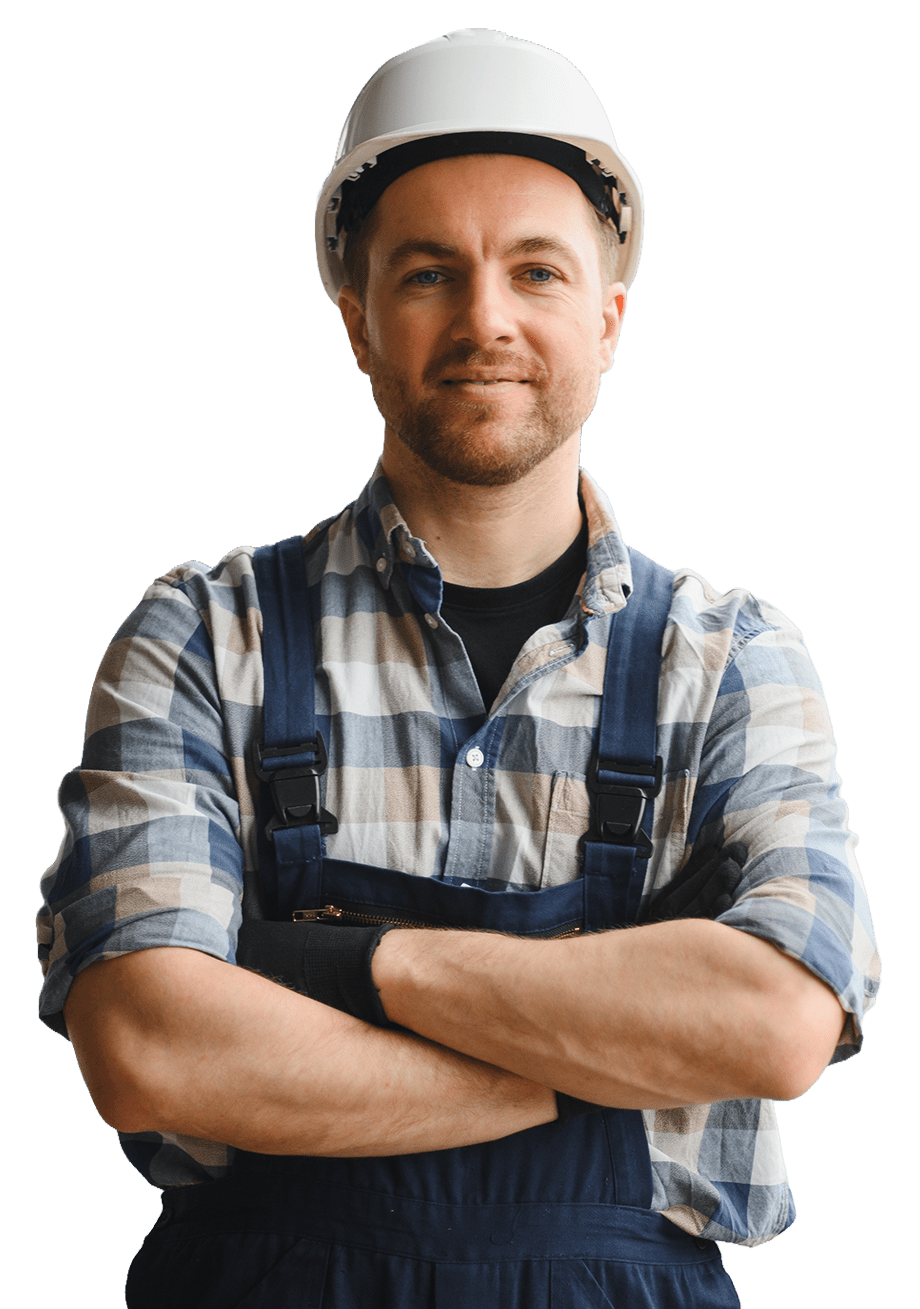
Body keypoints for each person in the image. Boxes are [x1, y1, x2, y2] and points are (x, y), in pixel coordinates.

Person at [36, 29, 880, 1309]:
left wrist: (333, 966)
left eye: (535, 270)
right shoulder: (208, 635)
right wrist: (595, 1057)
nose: (484, 319)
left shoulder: (732, 661)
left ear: (607, 314)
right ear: (358, 318)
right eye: (428, 273)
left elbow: (772, 1024)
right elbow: (151, 1043)